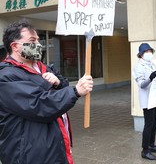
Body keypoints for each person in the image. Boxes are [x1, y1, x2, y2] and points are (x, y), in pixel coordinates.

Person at [0, 20, 94, 164]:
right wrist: (75, 91)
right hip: (29, 155)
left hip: (54, 146)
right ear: (15, 46)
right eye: (32, 40)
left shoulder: (43, 67)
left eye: (38, 40)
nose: (39, 45)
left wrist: (58, 83)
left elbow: (63, 86)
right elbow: (38, 105)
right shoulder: (6, 76)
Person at [133, 43, 156, 161]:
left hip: (155, 97)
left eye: (150, 51)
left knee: (155, 122)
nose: (149, 53)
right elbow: (141, 84)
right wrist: (150, 78)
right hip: (147, 99)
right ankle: (145, 150)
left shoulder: (152, 64)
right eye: (147, 52)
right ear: (141, 54)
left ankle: (152, 144)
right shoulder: (138, 67)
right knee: (149, 124)